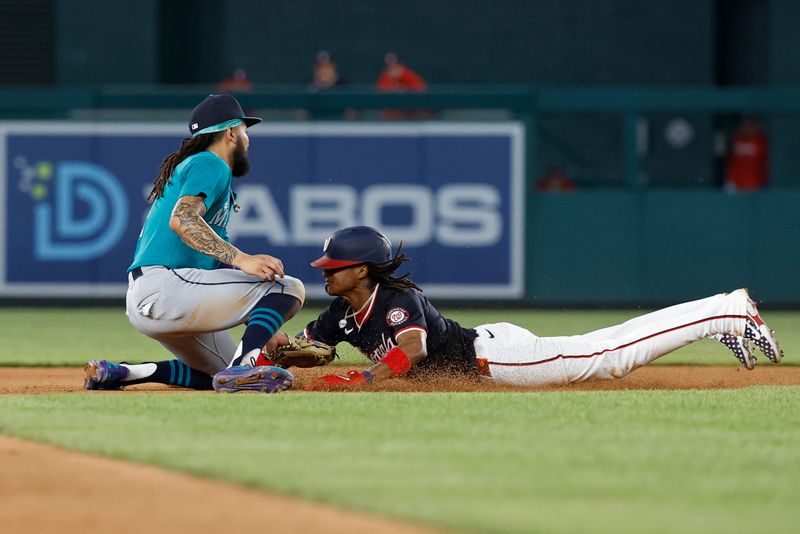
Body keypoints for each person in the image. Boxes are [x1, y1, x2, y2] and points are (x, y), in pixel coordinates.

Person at [293, 226, 782, 391]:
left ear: (363, 270)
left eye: (335, 266)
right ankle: (718, 316)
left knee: (608, 356)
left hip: (499, 361)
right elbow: (305, 347)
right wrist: (262, 358)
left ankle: (726, 311)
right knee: (603, 351)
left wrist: (366, 379)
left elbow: (414, 350)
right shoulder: (338, 314)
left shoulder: (399, 299)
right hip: (489, 342)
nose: (325, 272)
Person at [84, 94, 305, 392]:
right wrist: (243, 259)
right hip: (165, 287)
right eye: (245, 131)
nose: (248, 139)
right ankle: (245, 366)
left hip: (153, 297)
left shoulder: (207, 180)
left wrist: (261, 325)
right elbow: (183, 219)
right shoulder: (210, 163)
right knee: (287, 287)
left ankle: (123, 373)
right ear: (230, 132)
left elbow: (213, 277)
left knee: (219, 373)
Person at [375, 53, 431, 120]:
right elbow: (379, 92)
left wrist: (405, 87)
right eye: (389, 65)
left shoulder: (407, 75)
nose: (392, 67)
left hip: (410, 114)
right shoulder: (385, 78)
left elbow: (421, 88)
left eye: (394, 64)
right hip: (391, 116)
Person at [724, 117, 768, 192]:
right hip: (734, 183)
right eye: (746, 124)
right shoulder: (737, 138)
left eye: (751, 124)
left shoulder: (761, 140)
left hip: (754, 184)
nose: (748, 127)